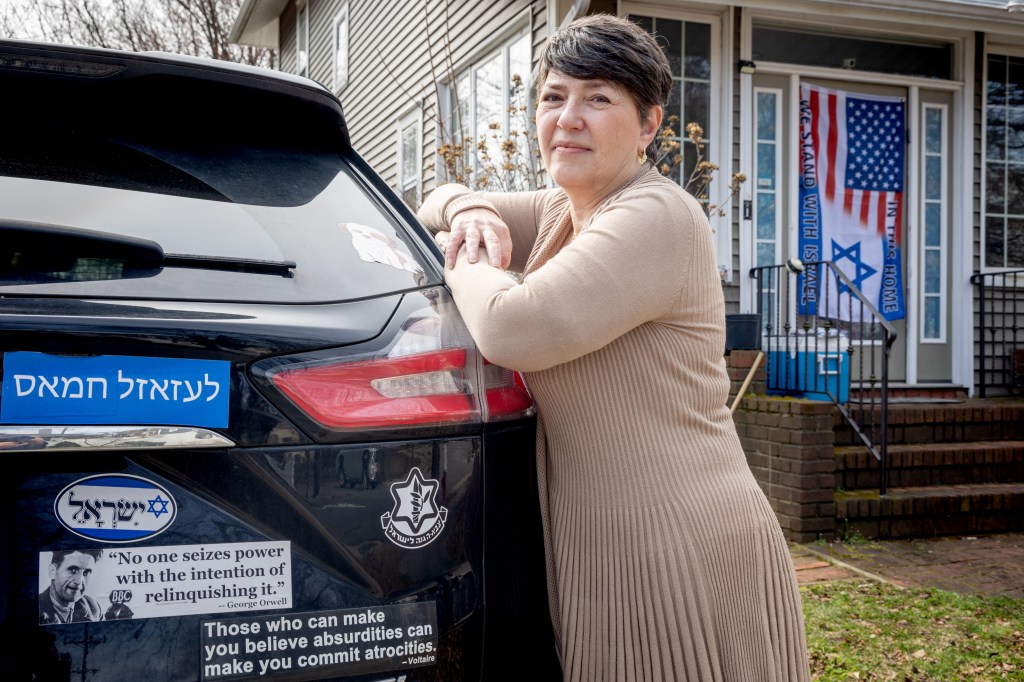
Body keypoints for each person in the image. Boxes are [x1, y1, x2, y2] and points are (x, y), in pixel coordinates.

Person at [418, 13, 810, 681]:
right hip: (601, 547)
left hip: (683, 543)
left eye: (598, 98)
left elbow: (516, 327)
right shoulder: (559, 210)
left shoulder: (657, 217)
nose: (568, 118)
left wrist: (462, 256)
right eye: (553, 96)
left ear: (650, 125)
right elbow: (426, 200)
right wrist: (467, 210)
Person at [38, 549, 104, 624]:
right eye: (72, 570)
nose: (79, 581)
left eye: (86, 572)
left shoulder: (93, 607)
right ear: (52, 572)